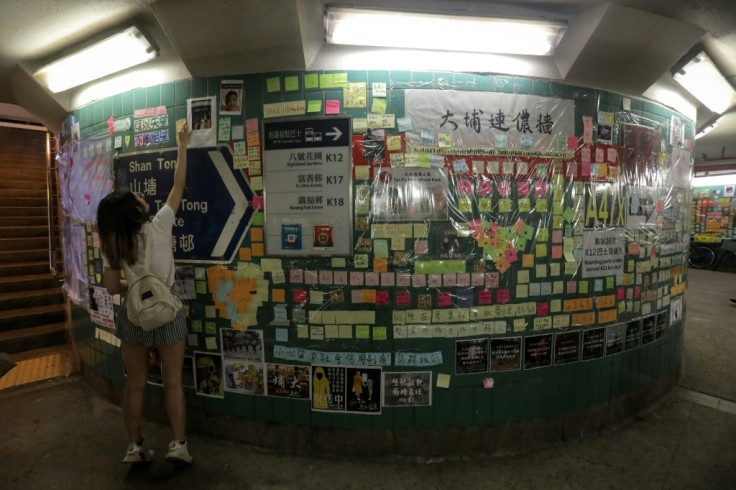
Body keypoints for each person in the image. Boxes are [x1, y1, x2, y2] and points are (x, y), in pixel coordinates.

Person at [97, 123, 193, 467]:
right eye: (136, 197)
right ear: (135, 210)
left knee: (134, 385)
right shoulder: (161, 224)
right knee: (172, 384)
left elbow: (111, 288)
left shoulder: (114, 243)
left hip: (133, 316)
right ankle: (179, 445)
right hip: (167, 311)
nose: (142, 196)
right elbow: (178, 186)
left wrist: (135, 288)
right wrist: (182, 145)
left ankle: (135, 447)